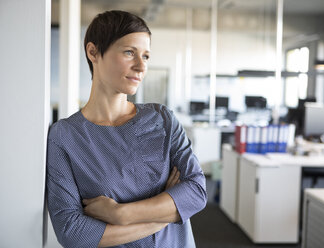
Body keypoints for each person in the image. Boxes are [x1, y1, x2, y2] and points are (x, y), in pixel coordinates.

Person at [46, 10, 207, 248]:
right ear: (93, 52)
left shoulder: (162, 119)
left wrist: (122, 214)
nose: (141, 67)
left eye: (146, 56)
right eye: (129, 52)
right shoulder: (65, 136)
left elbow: (196, 192)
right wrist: (163, 216)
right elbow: (73, 233)